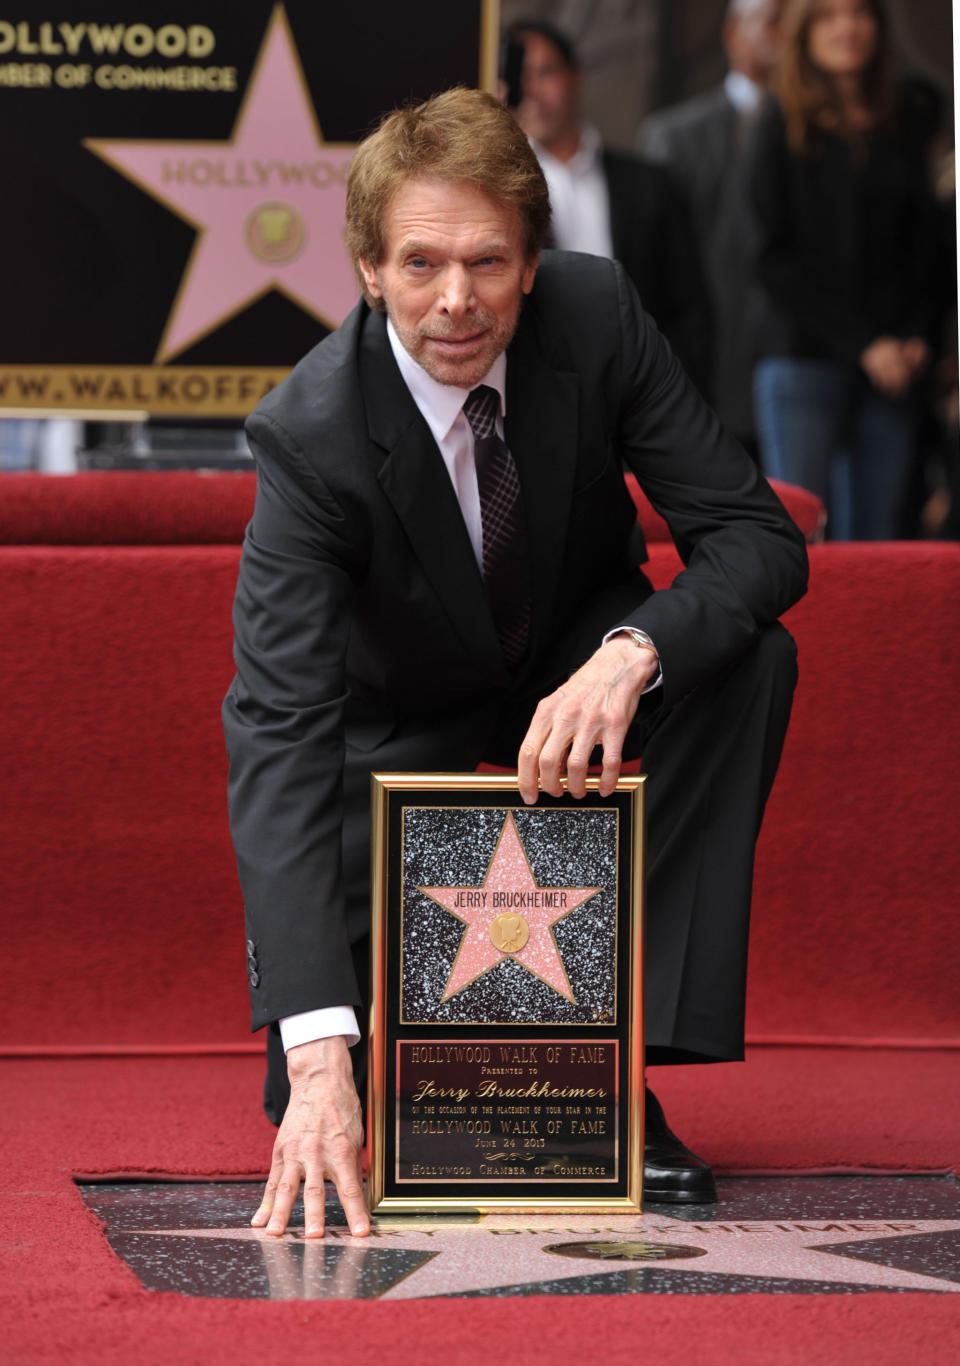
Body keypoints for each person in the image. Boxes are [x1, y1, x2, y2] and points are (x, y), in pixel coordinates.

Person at [222, 88, 808, 1239]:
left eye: (488, 261)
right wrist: (320, 1050)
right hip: (392, 725)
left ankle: (604, 1061)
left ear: (534, 263)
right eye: (423, 262)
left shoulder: (596, 317)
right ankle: (358, 1051)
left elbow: (758, 537)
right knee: (316, 1080)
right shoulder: (311, 433)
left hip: (577, 673)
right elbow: (278, 726)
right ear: (367, 269)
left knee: (748, 659)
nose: (457, 300)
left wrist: (635, 650)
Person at [748, 0, 943, 539]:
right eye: (829, 15)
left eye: (859, 13)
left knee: (880, 540)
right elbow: (772, 258)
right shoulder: (778, 120)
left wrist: (916, 336)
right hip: (805, 358)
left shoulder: (908, 115)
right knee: (800, 539)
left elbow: (928, 243)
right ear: (804, 31)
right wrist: (865, 343)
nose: (847, 28)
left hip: (895, 368)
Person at [504, 18, 712, 396]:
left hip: (642, 389)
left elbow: (690, 306)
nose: (532, 90)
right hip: (539, 392)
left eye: (544, 72)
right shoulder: (498, 193)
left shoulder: (649, 184)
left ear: (575, 77)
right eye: (518, 78)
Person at [640, 0, 784, 454]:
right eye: (772, 21)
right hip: (702, 364)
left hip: (798, 361)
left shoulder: (824, 131)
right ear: (733, 34)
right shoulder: (675, 136)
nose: (781, 36)